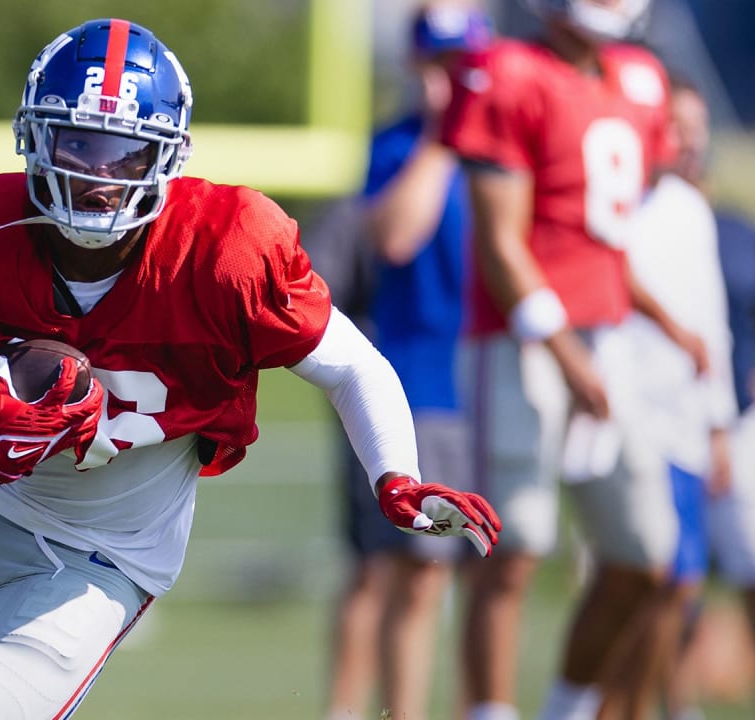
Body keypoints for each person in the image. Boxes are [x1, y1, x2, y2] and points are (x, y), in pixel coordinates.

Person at [0, 17, 502, 720]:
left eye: (125, 152)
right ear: (35, 138)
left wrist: (396, 476)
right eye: (79, 144)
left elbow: (353, 368)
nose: (98, 177)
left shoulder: (228, 251)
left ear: (169, 156)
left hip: (98, 556)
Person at [439, 1, 709, 719]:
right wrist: (564, 352)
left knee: (644, 554)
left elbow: (603, 245)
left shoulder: (641, 81)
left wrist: (664, 323)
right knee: (514, 546)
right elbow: (502, 244)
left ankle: (567, 709)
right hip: (519, 340)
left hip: (605, 340)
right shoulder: (507, 72)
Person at [319, 4, 491, 720]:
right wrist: (444, 137)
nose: (445, 78)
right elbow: (394, 237)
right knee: (391, 568)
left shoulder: (503, 147)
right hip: (412, 385)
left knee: (471, 570)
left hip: (483, 385)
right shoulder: (399, 147)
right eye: (435, 63)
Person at [614, 76, 739, 720]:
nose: (689, 141)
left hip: (686, 422)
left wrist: (716, 423)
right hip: (632, 418)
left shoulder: (690, 210)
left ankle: (665, 705)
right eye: (678, 125)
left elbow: (709, 321)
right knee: (651, 577)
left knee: (681, 582)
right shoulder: (618, 201)